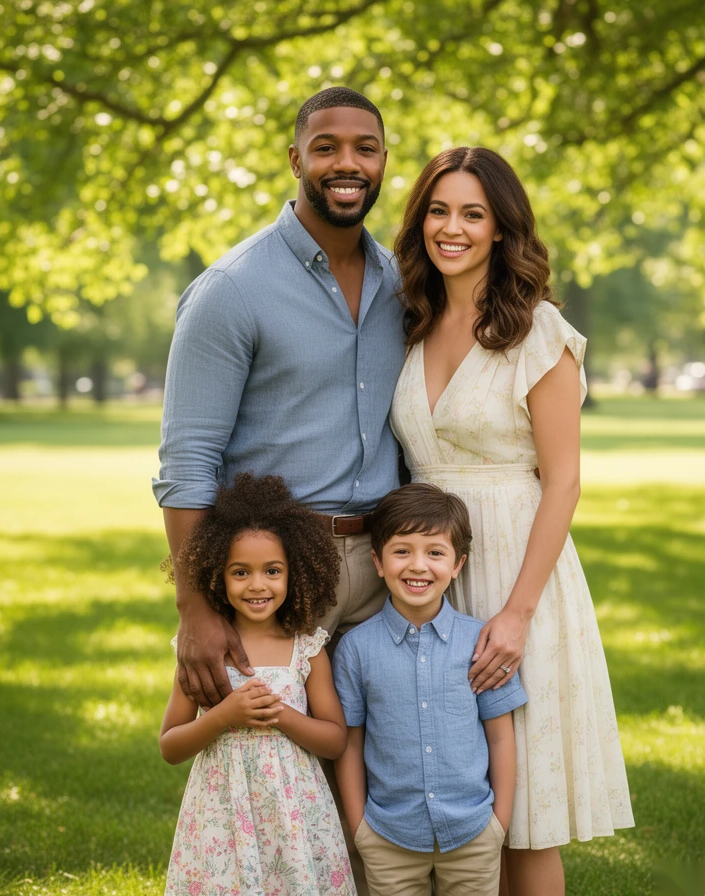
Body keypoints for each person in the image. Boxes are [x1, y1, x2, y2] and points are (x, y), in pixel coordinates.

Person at [389, 148, 635, 895]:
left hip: (515, 574)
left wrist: (517, 614)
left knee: (521, 810)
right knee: (453, 800)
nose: (452, 228)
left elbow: (563, 482)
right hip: (427, 576)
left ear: (501, 228)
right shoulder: (407, 321)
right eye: (438, 211)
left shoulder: (538, 330)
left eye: (473, 214)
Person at [153, 86, 404, 707]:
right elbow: (187, 460)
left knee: (384, 755)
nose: (347, 164)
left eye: (365, 149)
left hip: (386, 566)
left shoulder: (404, 284)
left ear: (383, 161)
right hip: (279, 568)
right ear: (296, 160)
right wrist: (194, 605)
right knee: (272, 757)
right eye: (326, 148)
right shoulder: (231, 289)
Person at [159, 473, 354, 895]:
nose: (258, 584)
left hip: (295, 815)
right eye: (240, 572)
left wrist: (279, 714)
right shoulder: (204, 652)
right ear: (216, 575)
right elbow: (170, 746)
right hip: (222, 814)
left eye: (272, 571)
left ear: (294, 573)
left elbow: (335, 740)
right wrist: (224, 716)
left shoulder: (306, 648)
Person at [333, 483, 528, 896]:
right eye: (402, 551)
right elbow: (350, 742)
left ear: (458, 564)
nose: (418, 566)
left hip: (473, 832)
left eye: (435, 553)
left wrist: (499, 823)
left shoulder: (481, 643)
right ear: (378, 561)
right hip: (388, 837)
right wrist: (360, 827)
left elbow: (500, 735)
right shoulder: (355, 648)